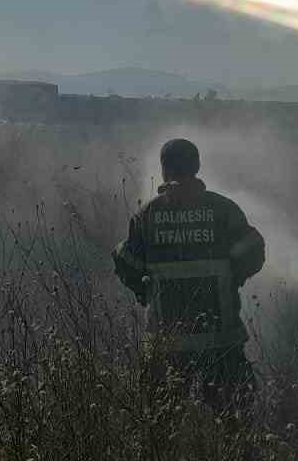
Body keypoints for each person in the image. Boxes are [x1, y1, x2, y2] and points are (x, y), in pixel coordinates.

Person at [113, 138, 266, 417]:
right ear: (197, 166)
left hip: (167, 344)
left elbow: (126, 264)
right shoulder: (224, 210)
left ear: (164, 170)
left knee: (162, 431)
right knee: (235, 424)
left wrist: (144, 292)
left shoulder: (147, 215)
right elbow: (254, 252)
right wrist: (235, 278)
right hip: (221, 342)